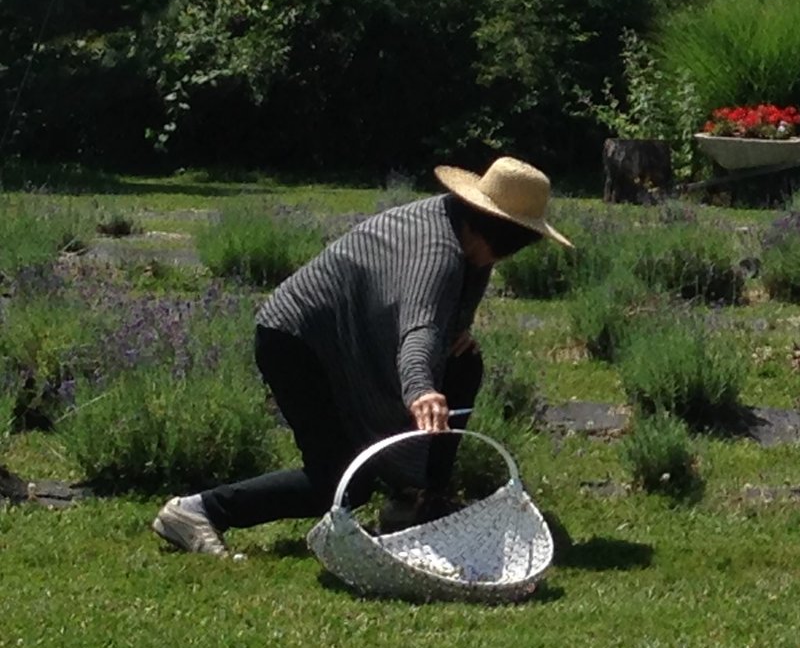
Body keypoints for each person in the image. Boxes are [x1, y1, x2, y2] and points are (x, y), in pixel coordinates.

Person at [152, 158, 569, 556]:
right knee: (341, 481)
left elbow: (439, 320)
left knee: (463, 365)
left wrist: (453, 341)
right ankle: (198, 511)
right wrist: (421, 389)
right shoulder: (439, 252)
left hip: (347, 340)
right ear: (496, 231)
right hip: (296, 340)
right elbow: (419, 328)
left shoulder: (460, 228)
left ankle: (418, 501)